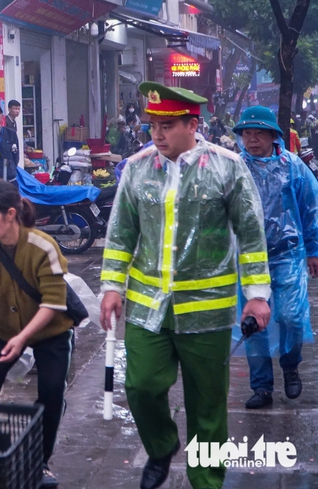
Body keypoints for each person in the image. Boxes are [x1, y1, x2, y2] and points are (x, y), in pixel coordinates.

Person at [100, 82, 271, 489]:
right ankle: (161, 447)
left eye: (168, 125)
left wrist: (257, 296)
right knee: (140, 386)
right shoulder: (138, 168)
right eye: (153, 125)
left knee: (207, 407)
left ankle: (207, 482)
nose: (157, 134)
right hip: (147, 308)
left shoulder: (228, 167)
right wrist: (111, 285)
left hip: (208, 312)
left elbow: (251, 234)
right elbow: (121, 233)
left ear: (192, 125)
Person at [0, 181, 74, 489]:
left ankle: (40, 462)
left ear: (9, 215)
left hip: (51, 333)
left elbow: (54, 303)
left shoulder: (43, 247)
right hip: (3, 330)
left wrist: (23, 339)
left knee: (50, 391)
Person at [232, 106, 318, 409]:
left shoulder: (293, 166)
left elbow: (311, 208)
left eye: (258, 133)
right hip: (249, 257)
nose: (252, 139)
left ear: (272, 135)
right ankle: (262, 386)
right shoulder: (235, 167)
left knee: (292, 317)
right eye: (246, 133)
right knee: (254, 322)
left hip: (288, 254)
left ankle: (291, 365)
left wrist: (314, 249)